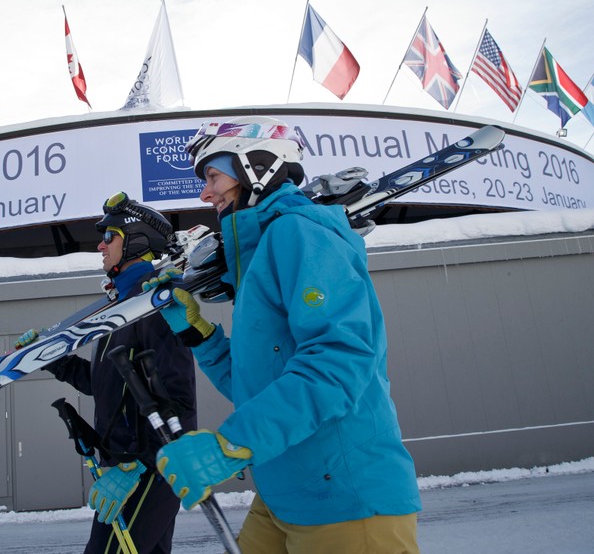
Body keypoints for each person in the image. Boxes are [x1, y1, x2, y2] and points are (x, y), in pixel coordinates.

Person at [149, 117, 422, 553]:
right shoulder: (260, 253)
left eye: (213, 176)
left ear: (255, 167)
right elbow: (256, 384)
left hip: (343, 492)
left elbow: (337, 363)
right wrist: (198, 334)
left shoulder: (300, 232)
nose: (205, 193)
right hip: (286, 487)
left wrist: (231, 444)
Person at [15, 192, 197, 554]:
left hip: (150, 470)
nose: (100, 245)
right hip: (125, 468)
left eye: (110, 237)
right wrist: (51, 359)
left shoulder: (153, 304)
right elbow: (106, 383)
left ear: (136, 242)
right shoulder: (119, 310)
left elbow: (179, 400)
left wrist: (138, 465)